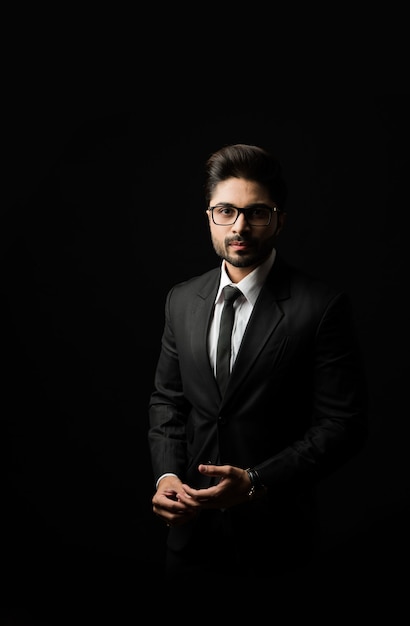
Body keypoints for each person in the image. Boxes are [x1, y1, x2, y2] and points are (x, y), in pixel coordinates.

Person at [148, 143, 368, 580]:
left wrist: (254, 480)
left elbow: (342, 425)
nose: (240, 227)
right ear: (209, 218)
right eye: (226, 211)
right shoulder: (181, 300)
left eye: (257, 212)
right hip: (190, 537)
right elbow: (167, 401)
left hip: (277, 540)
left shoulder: (321, 306)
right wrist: (167, 477)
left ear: (279, 220)